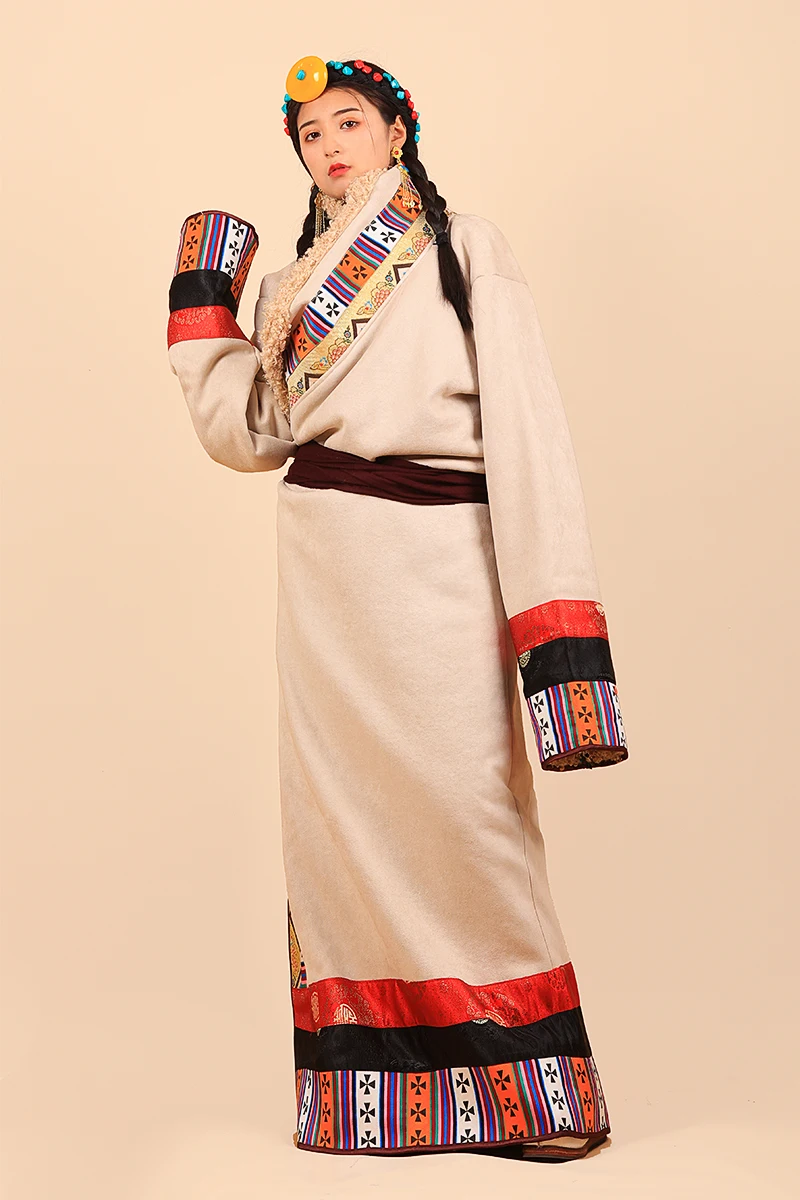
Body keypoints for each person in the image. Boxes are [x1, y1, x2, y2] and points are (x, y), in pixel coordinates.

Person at [166, 54, 628, 1163]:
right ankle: (369, 1098)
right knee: (340, 830)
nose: (330, 145)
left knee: (468, 811)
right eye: (311, 134)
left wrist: (559, 649)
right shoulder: (291, 287)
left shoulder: (465, 250)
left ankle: (538, 1097)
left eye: (349, 122)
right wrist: (203, 306)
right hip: (326, 582)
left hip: (438, 568)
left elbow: (529, 438)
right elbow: (251, 433)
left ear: (395, 132)